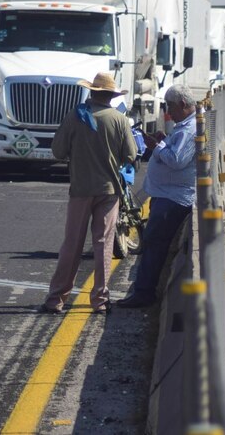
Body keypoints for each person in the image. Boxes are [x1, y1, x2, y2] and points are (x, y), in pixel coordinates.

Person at [42, 72, 137, 314]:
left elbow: (57, 151)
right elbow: (131, 155)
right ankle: (100, 300)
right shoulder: (119, 120)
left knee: (72, 244)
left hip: (81, 189)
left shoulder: (75, 116)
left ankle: (56, 299)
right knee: (104, 244)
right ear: (112, 96)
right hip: (109, 191)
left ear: (92, 92)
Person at [116, 84, 197, 308]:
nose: (168, 112)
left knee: (154, 243)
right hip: (168, 194)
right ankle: (145, 290)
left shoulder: (189, 130)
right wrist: (164, 141)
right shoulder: (185, 126)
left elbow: (176, 160)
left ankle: (144, 293)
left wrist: (157, 146)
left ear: (182, 104)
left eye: (170, 106)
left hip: (173, 198)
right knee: (153, 242)